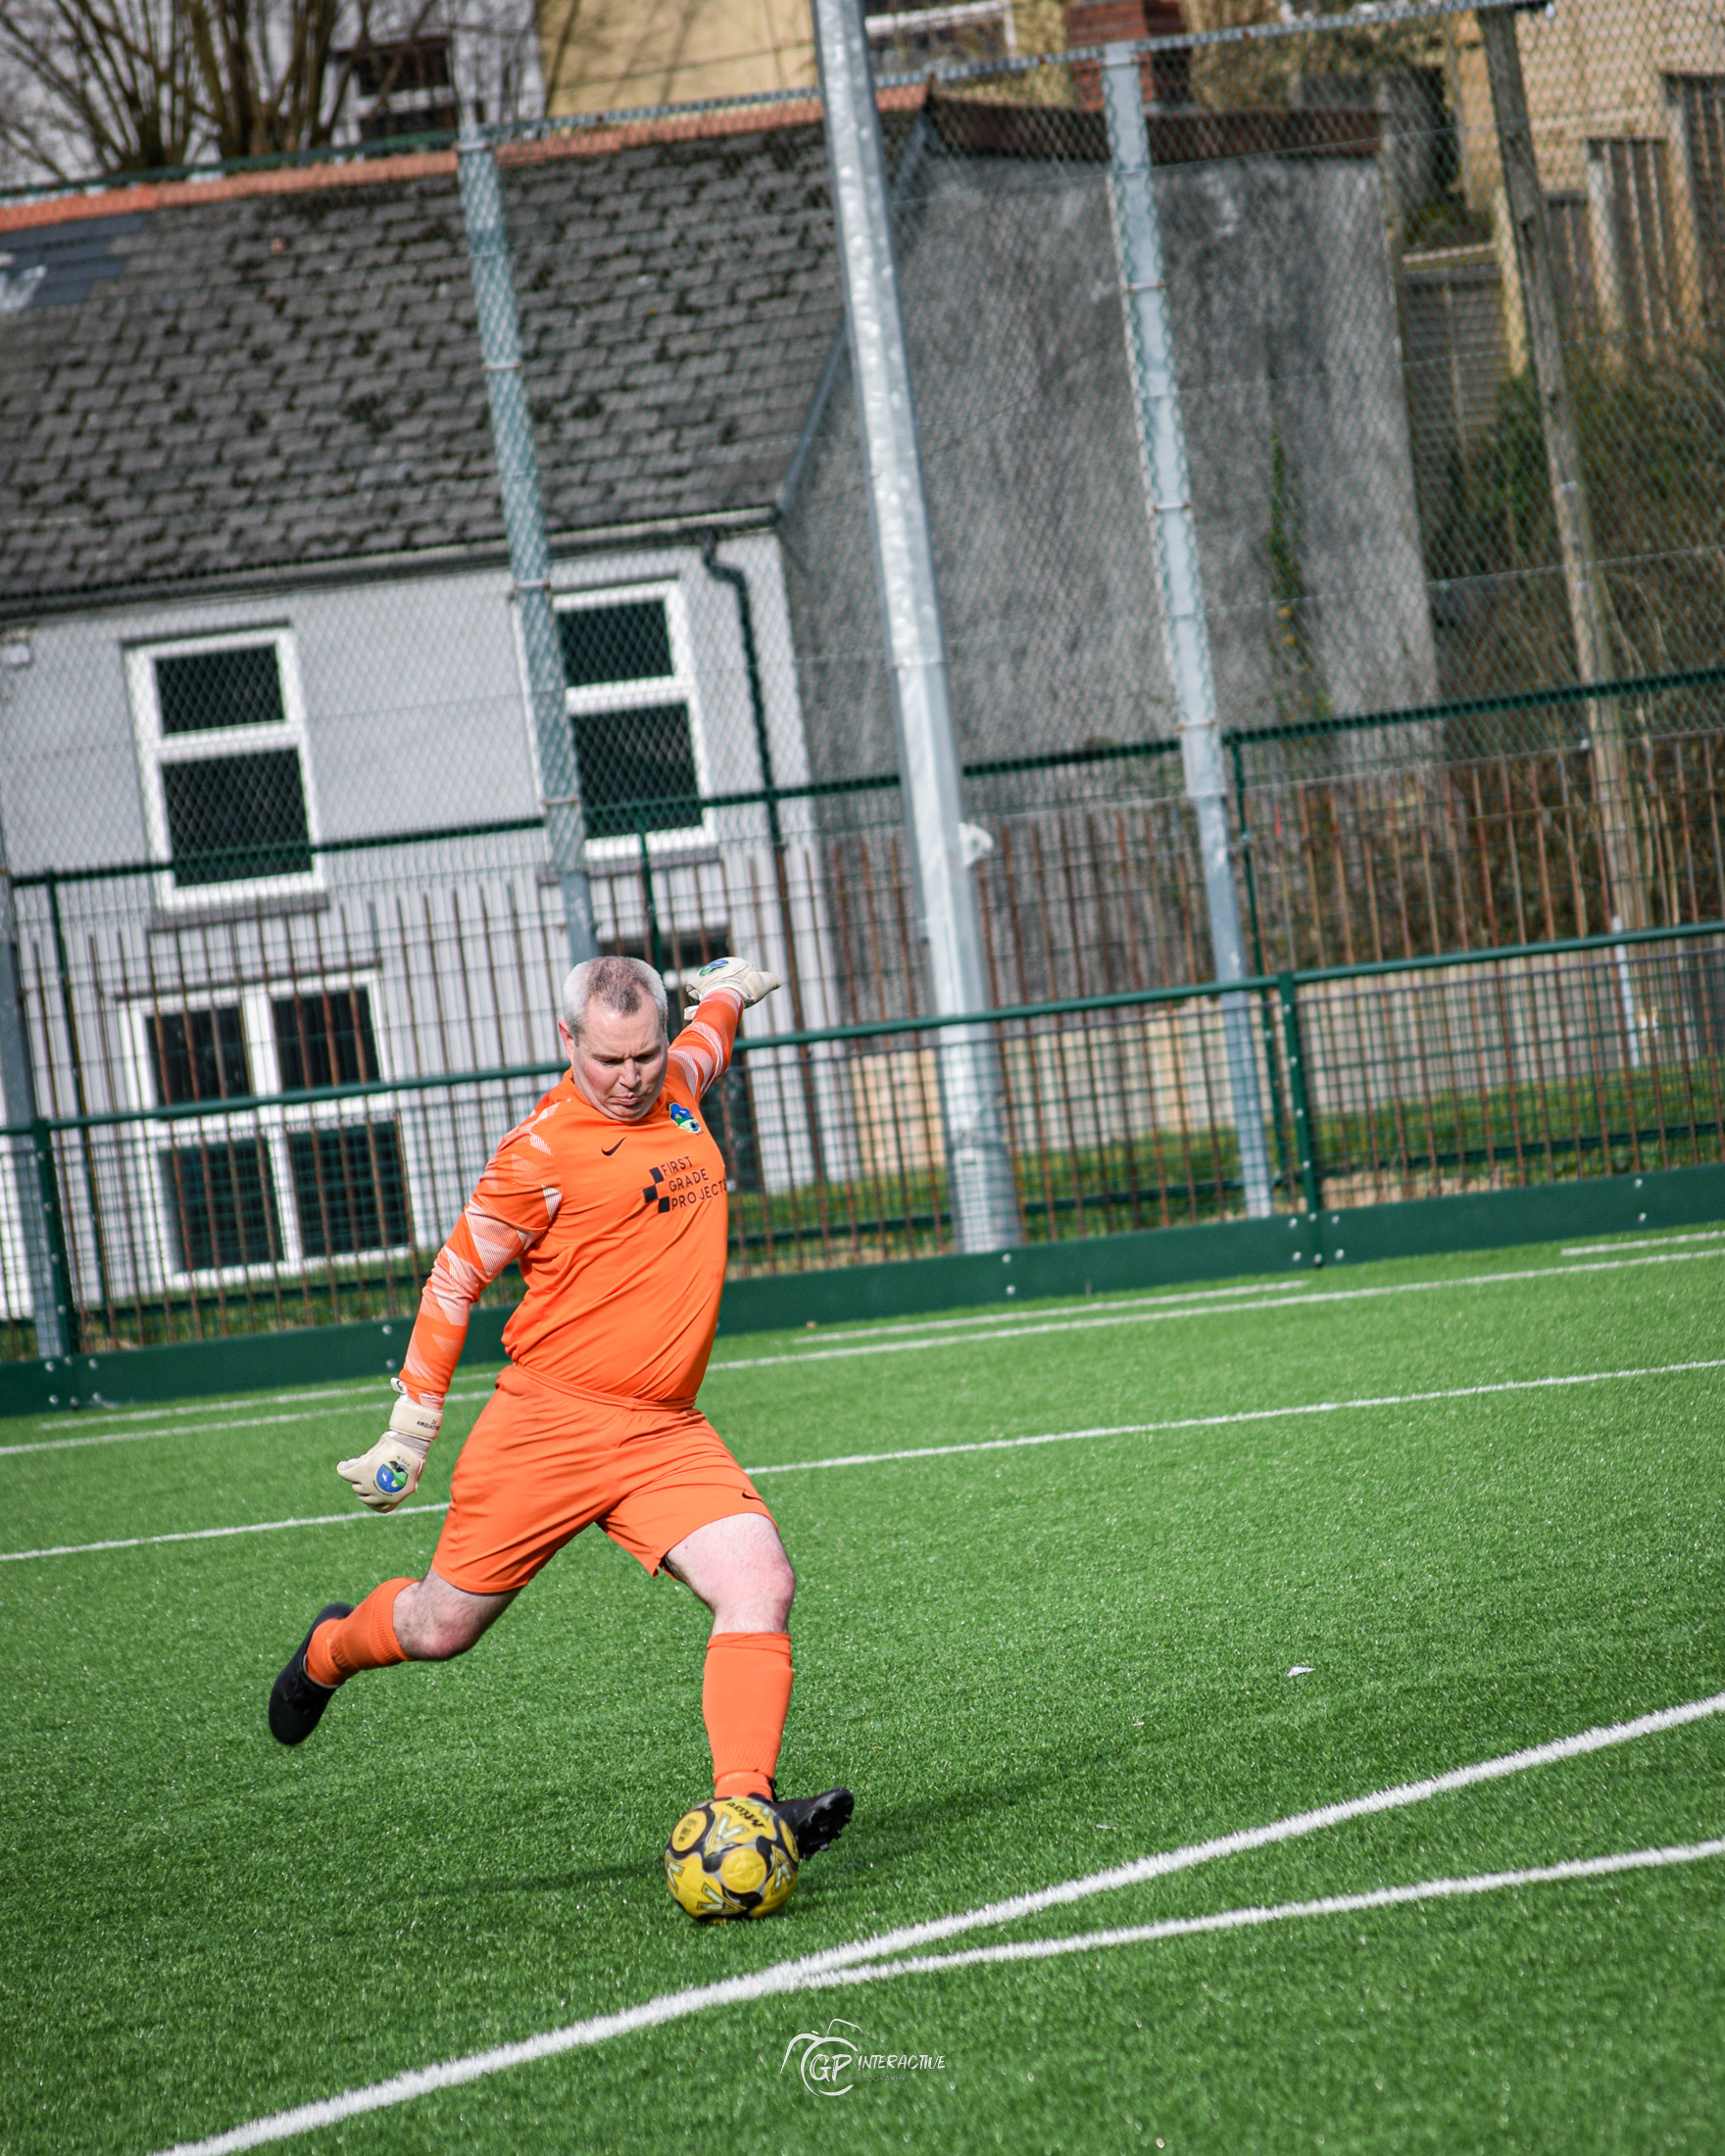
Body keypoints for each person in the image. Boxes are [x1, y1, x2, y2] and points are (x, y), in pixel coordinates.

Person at [268, 953, 852, 1890]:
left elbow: (708, 1043)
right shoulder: (538, 1154)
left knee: (763, 1582)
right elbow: (455, 1279)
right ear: (567, 1042)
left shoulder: (679, 1084)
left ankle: (746, 1802)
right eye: (608, 1061)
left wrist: (730, 994)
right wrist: (411, 1429)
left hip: (663, 1430)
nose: (629, 1080)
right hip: (548, 1428)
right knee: (438, 1628)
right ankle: (331, 1647)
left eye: (646, 1057)